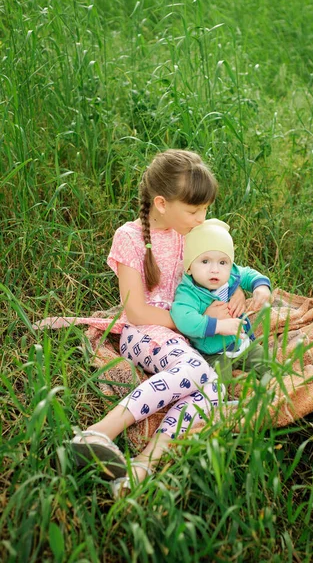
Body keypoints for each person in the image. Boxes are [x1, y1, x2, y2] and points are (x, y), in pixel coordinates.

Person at [49, 149, 246, 498]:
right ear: (161, 203)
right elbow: (136, 311)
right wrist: (196, 322)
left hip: (181, 338)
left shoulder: (193, 232)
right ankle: (99, 431)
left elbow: (223, 267)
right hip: (143, 332)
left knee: (210, 389)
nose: (202, 218)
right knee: (199, 372)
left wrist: (238, 293)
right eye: (194, 210)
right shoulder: (130, 237)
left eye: (205, 210)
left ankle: (142, 466)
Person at [170, 219, 272, 384]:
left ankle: (274, 391)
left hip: (242, 344)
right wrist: (218, 325)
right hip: (214, 353)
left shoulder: (230, 275)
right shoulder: (189, 292)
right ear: (189, 266)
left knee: (267, 364)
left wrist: (260, 286)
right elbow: (183, 318)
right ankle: (223, 404)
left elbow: (248, 274)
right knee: (219, 383)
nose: (215, 269)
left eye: (223, 262)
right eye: (205, 261)